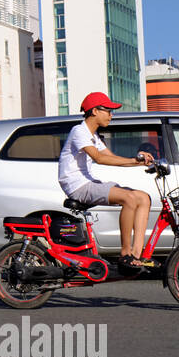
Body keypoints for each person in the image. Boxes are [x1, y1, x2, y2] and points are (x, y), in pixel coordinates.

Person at [57, 92, 156, 272]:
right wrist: (136, 161)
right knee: (130, 199)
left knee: (143, 198)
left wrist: (138, 161)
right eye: (108, 111)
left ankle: (136, 254)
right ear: (95, 111)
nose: (111, 115)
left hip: (88, 182)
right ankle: (125, 254)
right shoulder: (79, 131)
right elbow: (99, 158)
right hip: (77, 186)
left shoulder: (93, 136)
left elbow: (110, 156)